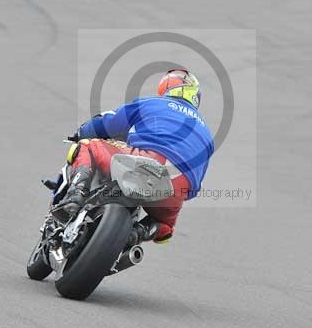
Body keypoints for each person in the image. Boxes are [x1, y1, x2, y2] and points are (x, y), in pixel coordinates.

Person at [53, 68, 214, 243]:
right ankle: (139, 234)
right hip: (176, 189)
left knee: (87, 146)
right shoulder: (207, 135)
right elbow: (194, 188)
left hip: (145, 162)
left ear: (166, 88)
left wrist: (81, 132)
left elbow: (108, 123)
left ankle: (74, 197)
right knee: (165, 228)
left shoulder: (153, 103)